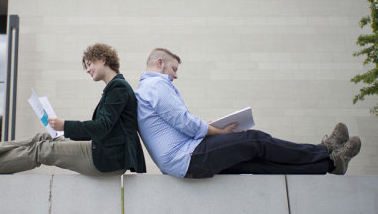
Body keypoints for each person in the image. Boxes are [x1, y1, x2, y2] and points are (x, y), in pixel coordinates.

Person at [135, 48, 361, 179]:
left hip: (183, 161)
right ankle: (326, 149)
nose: (175, 75)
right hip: (187, 158)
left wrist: (210, 127)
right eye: (174, 69)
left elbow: (180, 125)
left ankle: (332, 164)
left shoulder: (148, 90)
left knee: (257, 163)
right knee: (255, 140)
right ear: (160, 62)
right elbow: (185, 123)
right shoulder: (155, 86)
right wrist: (219, 131)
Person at [0, 43, 146, 176]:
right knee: (42, 138)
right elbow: (104, 128)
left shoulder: (118, 88)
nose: (87, 70)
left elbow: (102, 127)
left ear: (103, 59)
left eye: (89, 64)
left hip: (109, 159)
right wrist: (62, 129)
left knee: (42, 150)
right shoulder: (114, 88)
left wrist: (65, 125)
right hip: (105, 151)